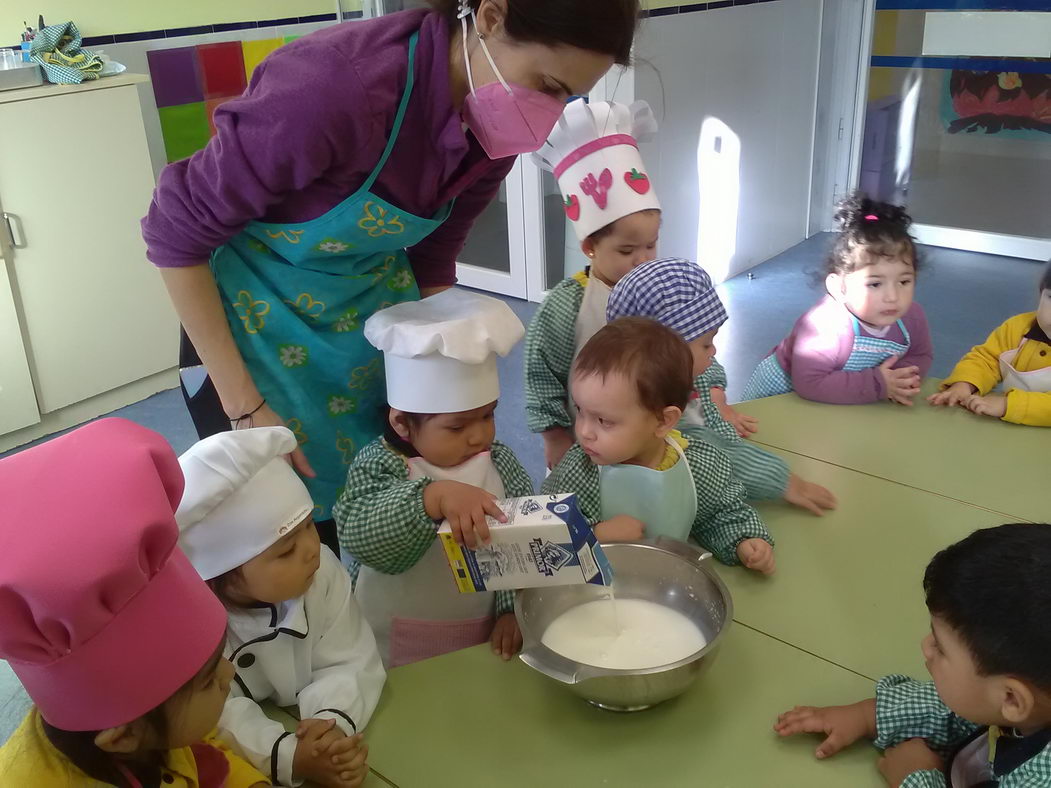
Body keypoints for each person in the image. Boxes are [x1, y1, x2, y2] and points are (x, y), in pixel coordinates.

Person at [143, 0, 640, 555]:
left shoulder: (493, 123)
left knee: (382, 491)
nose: (548, 115)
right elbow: (174, 232)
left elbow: (434, 253)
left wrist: (450, 376)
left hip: (366, 319)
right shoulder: (332, 88)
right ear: (491, 16)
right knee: (282, 528)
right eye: (547, 84)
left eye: (568, 97)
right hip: (250, 331)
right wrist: (246, 407)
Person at [0, 418, 266, 788]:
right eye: (207, 682)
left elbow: (206, 753)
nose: (229, 673)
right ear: (123, 738)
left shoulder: (155, 726)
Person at [333, 289, 534, 666]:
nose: (480, 436)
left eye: (488, 415)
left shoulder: (500, 462)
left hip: (480, 627)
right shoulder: (382, 463)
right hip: (391, 634)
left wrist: (511, 610)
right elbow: (360, 534)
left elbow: (517, 544)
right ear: (402, 424)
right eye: (457, 427)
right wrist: (431, 498)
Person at [176, 427, 385, 787]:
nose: (311, 549)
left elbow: (348, 657)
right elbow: (213, 714)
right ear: (221, 574)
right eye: (286, 549)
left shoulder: (322, 573)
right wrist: (288, 756)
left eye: (309, 526)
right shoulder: (190, 623)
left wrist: (327, 726)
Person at [774, 523, 1051, 787]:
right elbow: (968, 708)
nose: (926, 646)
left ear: (1012, 699)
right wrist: (867, 716)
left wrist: (915, 777)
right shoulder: (1032, 700)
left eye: (941, 648)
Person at [542, 317, 776, 575]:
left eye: (603, 421)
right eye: (580, 410)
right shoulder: (579, 470)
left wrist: (744, 541)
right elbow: (545, 535)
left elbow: (719, 516)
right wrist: (597, 533)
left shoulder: (697, 465)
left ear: (664, 421)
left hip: (666, 585)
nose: (584, 431)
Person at [606, 257, 836, 516]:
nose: (713, 351)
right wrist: (784, 481)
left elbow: (710, 368)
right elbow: (717, 458)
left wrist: (716, 392)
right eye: (706, 344)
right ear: (663, 354)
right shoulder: (660, 414)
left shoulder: (676, 370)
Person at [525, 98, 662, 470]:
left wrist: (713, 389)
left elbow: (691, 343)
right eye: (627, 249)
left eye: (651, 245)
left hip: (652, 434)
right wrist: (555, 435)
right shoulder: (567, 305)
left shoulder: (660, 290)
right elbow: (541, 372)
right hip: (589, 444)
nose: (644, 259)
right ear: (590, 247)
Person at [743, 195, 933, 405]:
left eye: (904, 282)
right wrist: (879, 384)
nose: (893, 297)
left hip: (844, 398)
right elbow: (811, 382)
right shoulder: (826, 324)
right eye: (875, 284)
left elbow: (920, 354)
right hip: (780, 399)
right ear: (838, 287)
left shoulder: (912, 317)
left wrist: (899, 379)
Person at [928, 260, 1051, 426]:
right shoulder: (1018, 328)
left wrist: (1009, 404)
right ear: (1041, 293)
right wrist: (965, 383)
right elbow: (987, 360)